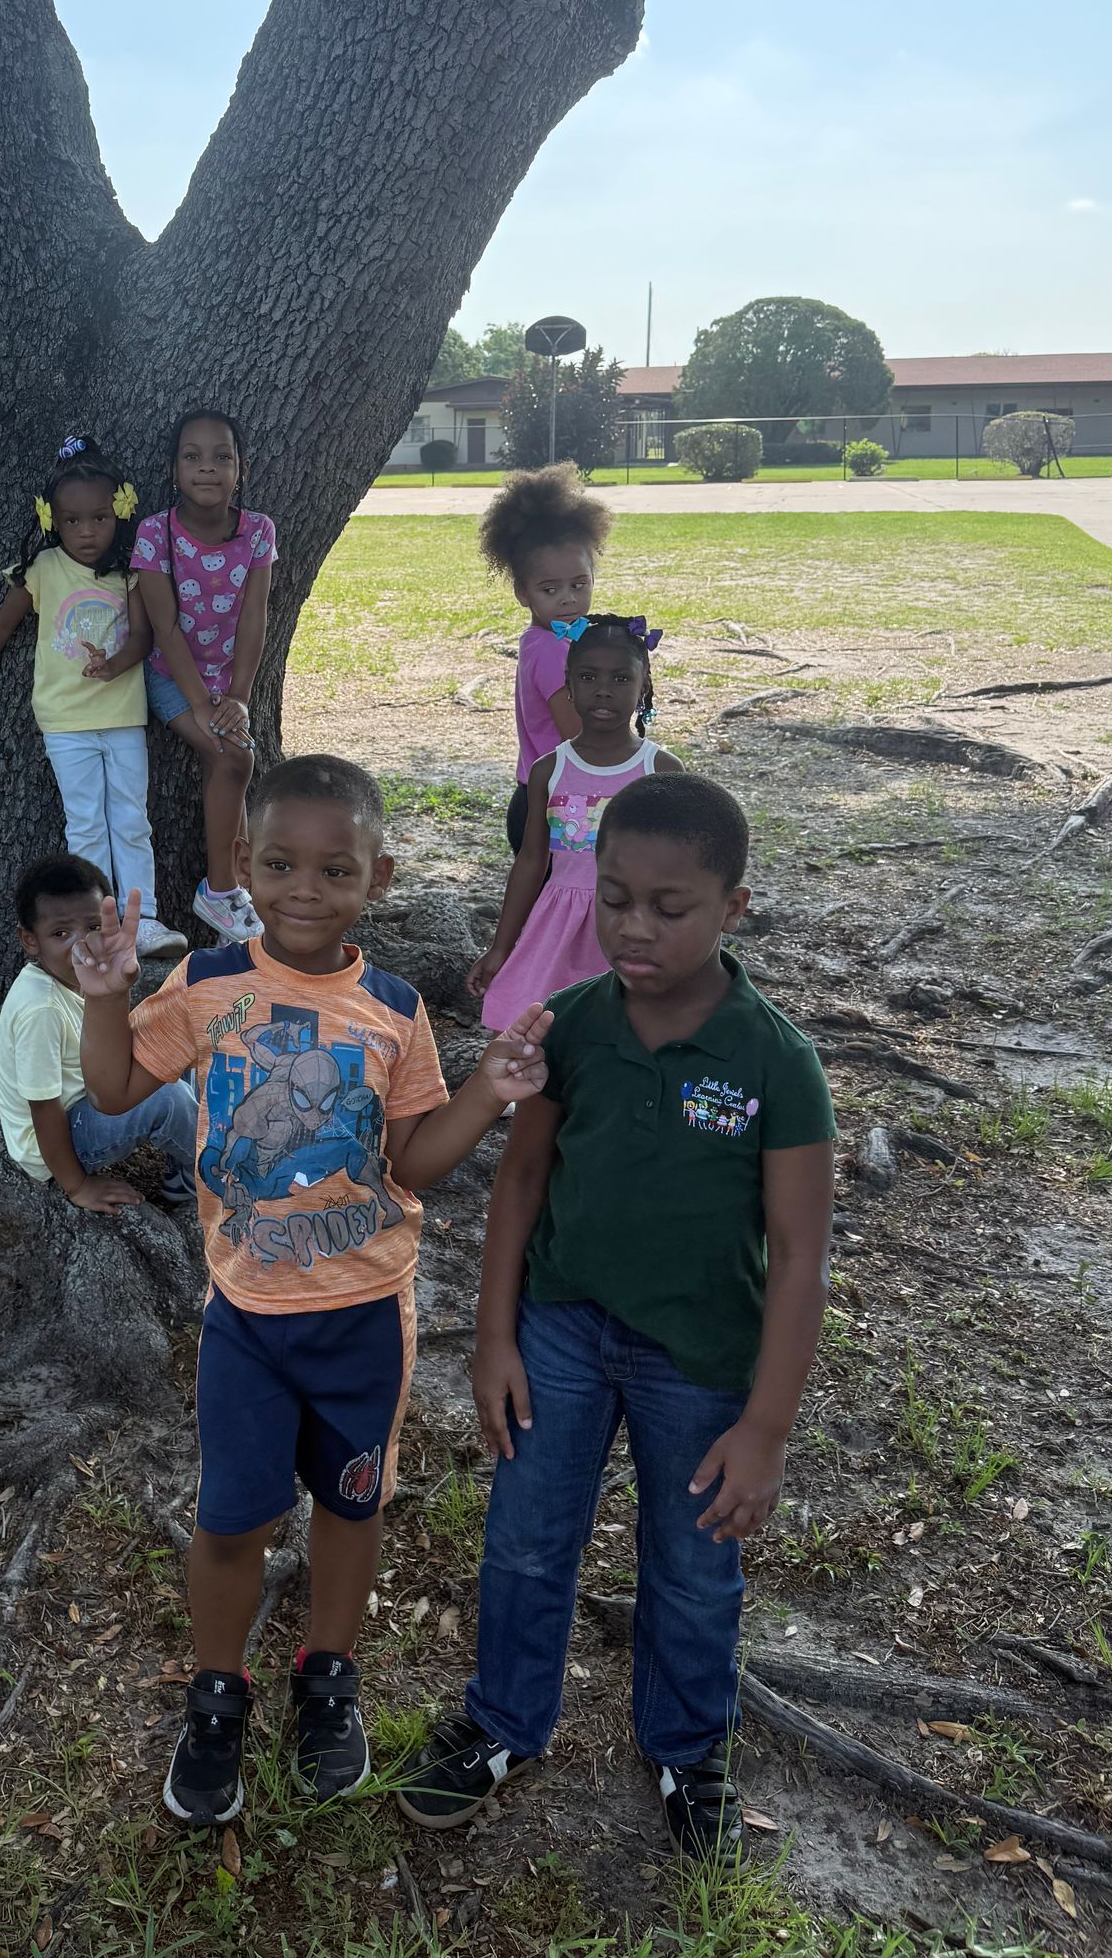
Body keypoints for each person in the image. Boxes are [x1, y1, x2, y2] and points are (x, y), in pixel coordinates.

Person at [73, 754, 554, 1827]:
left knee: (352, 1503)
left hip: (364, 1320)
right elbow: (112, 1088)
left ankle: (327, 1677)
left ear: (377, 878)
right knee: (230, 1519)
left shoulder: (393, 1008)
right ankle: (216, 1695)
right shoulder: (205, 986)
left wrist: (487, 1090)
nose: (304, 887)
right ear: (242, 862)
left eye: (334, 869)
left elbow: (415, 1162)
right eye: (280, 862)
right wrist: (104, 998)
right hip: (246, 1320)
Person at [398, 773, 836, 1855]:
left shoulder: (777, 1063)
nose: (634, 928)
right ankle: (502, 1722)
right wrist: (495, 1336)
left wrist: (766, 1428)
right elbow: (519, 1182)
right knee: (527, 1540)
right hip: (561, 1333)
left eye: (669, 906)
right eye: (614, 899)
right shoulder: (575, 1026)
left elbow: (800, 1259)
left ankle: (690, 1751)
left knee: (692, 1570)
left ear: (734, 907)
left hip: (700, 1360)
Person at [0, 434, 187, 962]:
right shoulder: (43, 570)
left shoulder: (130, 571)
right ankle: (95, 927)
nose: (87, 531)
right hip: (65, 723)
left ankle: (143, 921)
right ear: (52, 520)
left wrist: (113, 664)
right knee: (86, 824)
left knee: (132, 819)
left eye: (99, 517)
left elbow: (144, 638)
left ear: (119, 511)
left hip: (121, 716)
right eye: (72, 521)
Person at [470, 616, 680, 1033]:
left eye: (621, 678)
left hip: (629, 928)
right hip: (558, 929)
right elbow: (531, 862)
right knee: (544, 1033)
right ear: (568, 684)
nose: (603, 689)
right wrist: (500, 947)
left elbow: (679, 871)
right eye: (588, 676)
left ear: (644, 686)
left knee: (622, 1029)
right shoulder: (550, 769)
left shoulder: (661, 770)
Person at [130, 410, 274, 944]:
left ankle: (231, 901)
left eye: (222, 457)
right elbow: (164, 628)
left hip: (225, 685)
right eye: (192, 456)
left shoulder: (258, 531)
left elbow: (255, 617)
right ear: (173, 470)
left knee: (231, 759)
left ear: (241, 468)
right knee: (234, 755)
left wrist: (237, 695)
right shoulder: (156, 532)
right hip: (171, 678)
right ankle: (220, 892)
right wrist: (200, 703)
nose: (207, 468)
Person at [0, 854, 197, 1211]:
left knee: (178, 1050)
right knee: (168, 1097)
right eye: (61, 933)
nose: (80, 944)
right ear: (29, 940)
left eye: (92, 927)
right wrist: (78, 1185)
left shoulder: (76, 979)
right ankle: (218, 1174)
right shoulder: (40, 1009)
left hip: (90, 1095)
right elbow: (44, 1110)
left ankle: (186, 1169)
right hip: (60, 1143)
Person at [476, 464, 614, 856]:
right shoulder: (552, 649)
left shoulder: (554, 638)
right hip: (554, 806)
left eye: (579, 584)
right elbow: (577, 732)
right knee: (560, 904)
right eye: (549, 588)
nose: (567, 598)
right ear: (523, 592)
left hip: (551, 796)